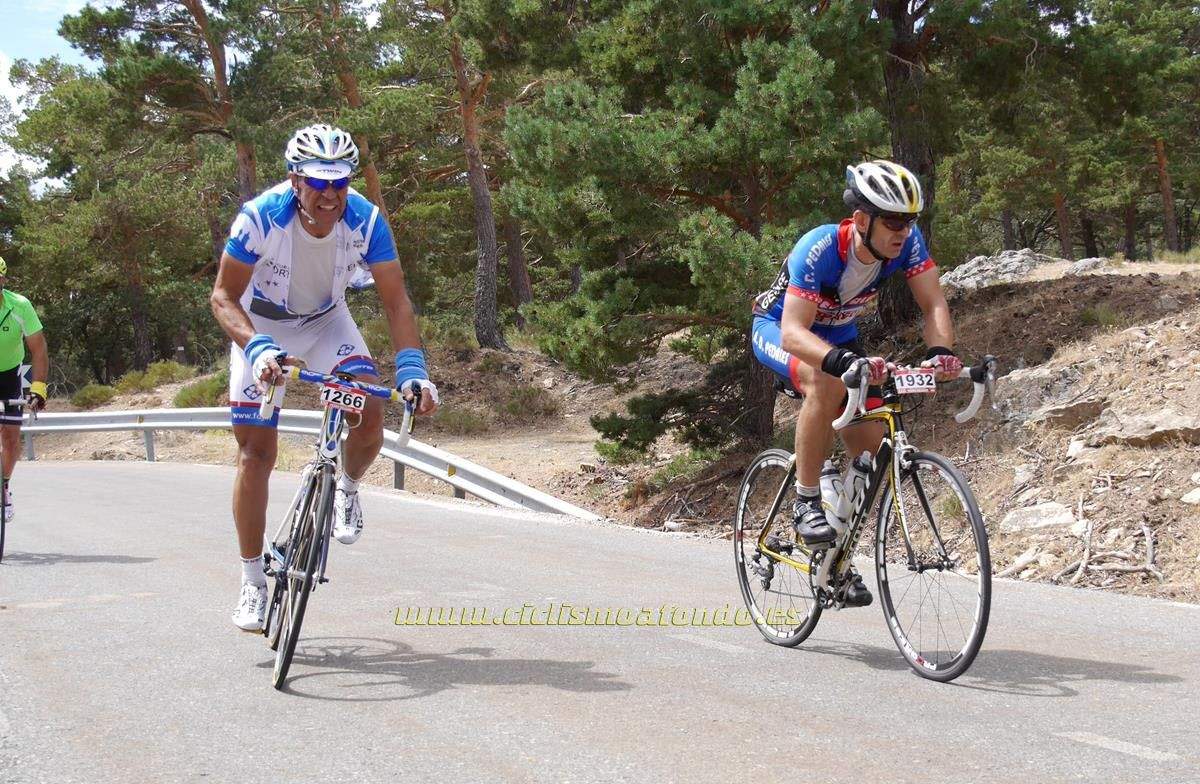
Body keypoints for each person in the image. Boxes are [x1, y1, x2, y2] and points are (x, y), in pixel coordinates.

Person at [211, 124, 439, 631]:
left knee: (370, 411)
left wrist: (412, 370)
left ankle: (347, 488)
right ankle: (252, 580)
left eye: (340, 183)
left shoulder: (366, 220)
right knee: (255, 455)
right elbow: (222, 297)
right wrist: (257, 347)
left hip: (325, 323)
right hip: (260, 328)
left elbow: (396, 301)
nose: (330, 195)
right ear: (296, 179)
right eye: (318, 182)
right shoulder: (259, 217)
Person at [750, 160, 963, 607]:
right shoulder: (820, 247)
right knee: (825, 383)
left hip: (840, 337)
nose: (903, 232)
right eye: (893, 222)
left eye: (910, 221)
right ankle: (807, 499)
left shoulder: (907, 244)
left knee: (873, 449)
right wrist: (841, 360)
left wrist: (940, 352)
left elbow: (933, 303)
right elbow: (792, 332)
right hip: (781, 329)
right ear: (862, 220)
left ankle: (837, 560)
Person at [0, 256, 49, 521]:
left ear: (3, 281)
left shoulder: (19, 305)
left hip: (9, 375)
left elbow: (38, 350)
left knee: (11, 437)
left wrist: (38, 388)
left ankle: (3, 485)